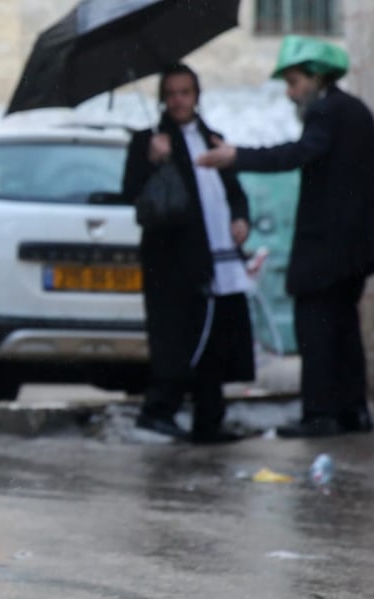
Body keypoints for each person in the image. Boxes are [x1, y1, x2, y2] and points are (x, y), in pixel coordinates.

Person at [198, 36, 374, 438]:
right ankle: (352, 412)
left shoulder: (325, 112)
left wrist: (238, 156)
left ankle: (320, 414)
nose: (290, 93)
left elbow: (297, 154)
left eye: (294, 81)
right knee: (343, 329)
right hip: (354, 249)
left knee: (317, 328)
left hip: (327, 250)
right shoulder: (354, 111)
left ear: (316, 78)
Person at [122, 63, 260, 444]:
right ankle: (159, 410)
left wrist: (240, 220)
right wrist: (152, 160)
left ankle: (209, 419)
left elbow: (234, 192)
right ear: (163, 99)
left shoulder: (213, 138)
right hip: (172, 261)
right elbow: (132, 193)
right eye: (172, 93)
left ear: (196, 96)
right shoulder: (148, 141)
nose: (179, 100)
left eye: (185, 92)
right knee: (176, 336)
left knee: (214, 336)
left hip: (217, 255)